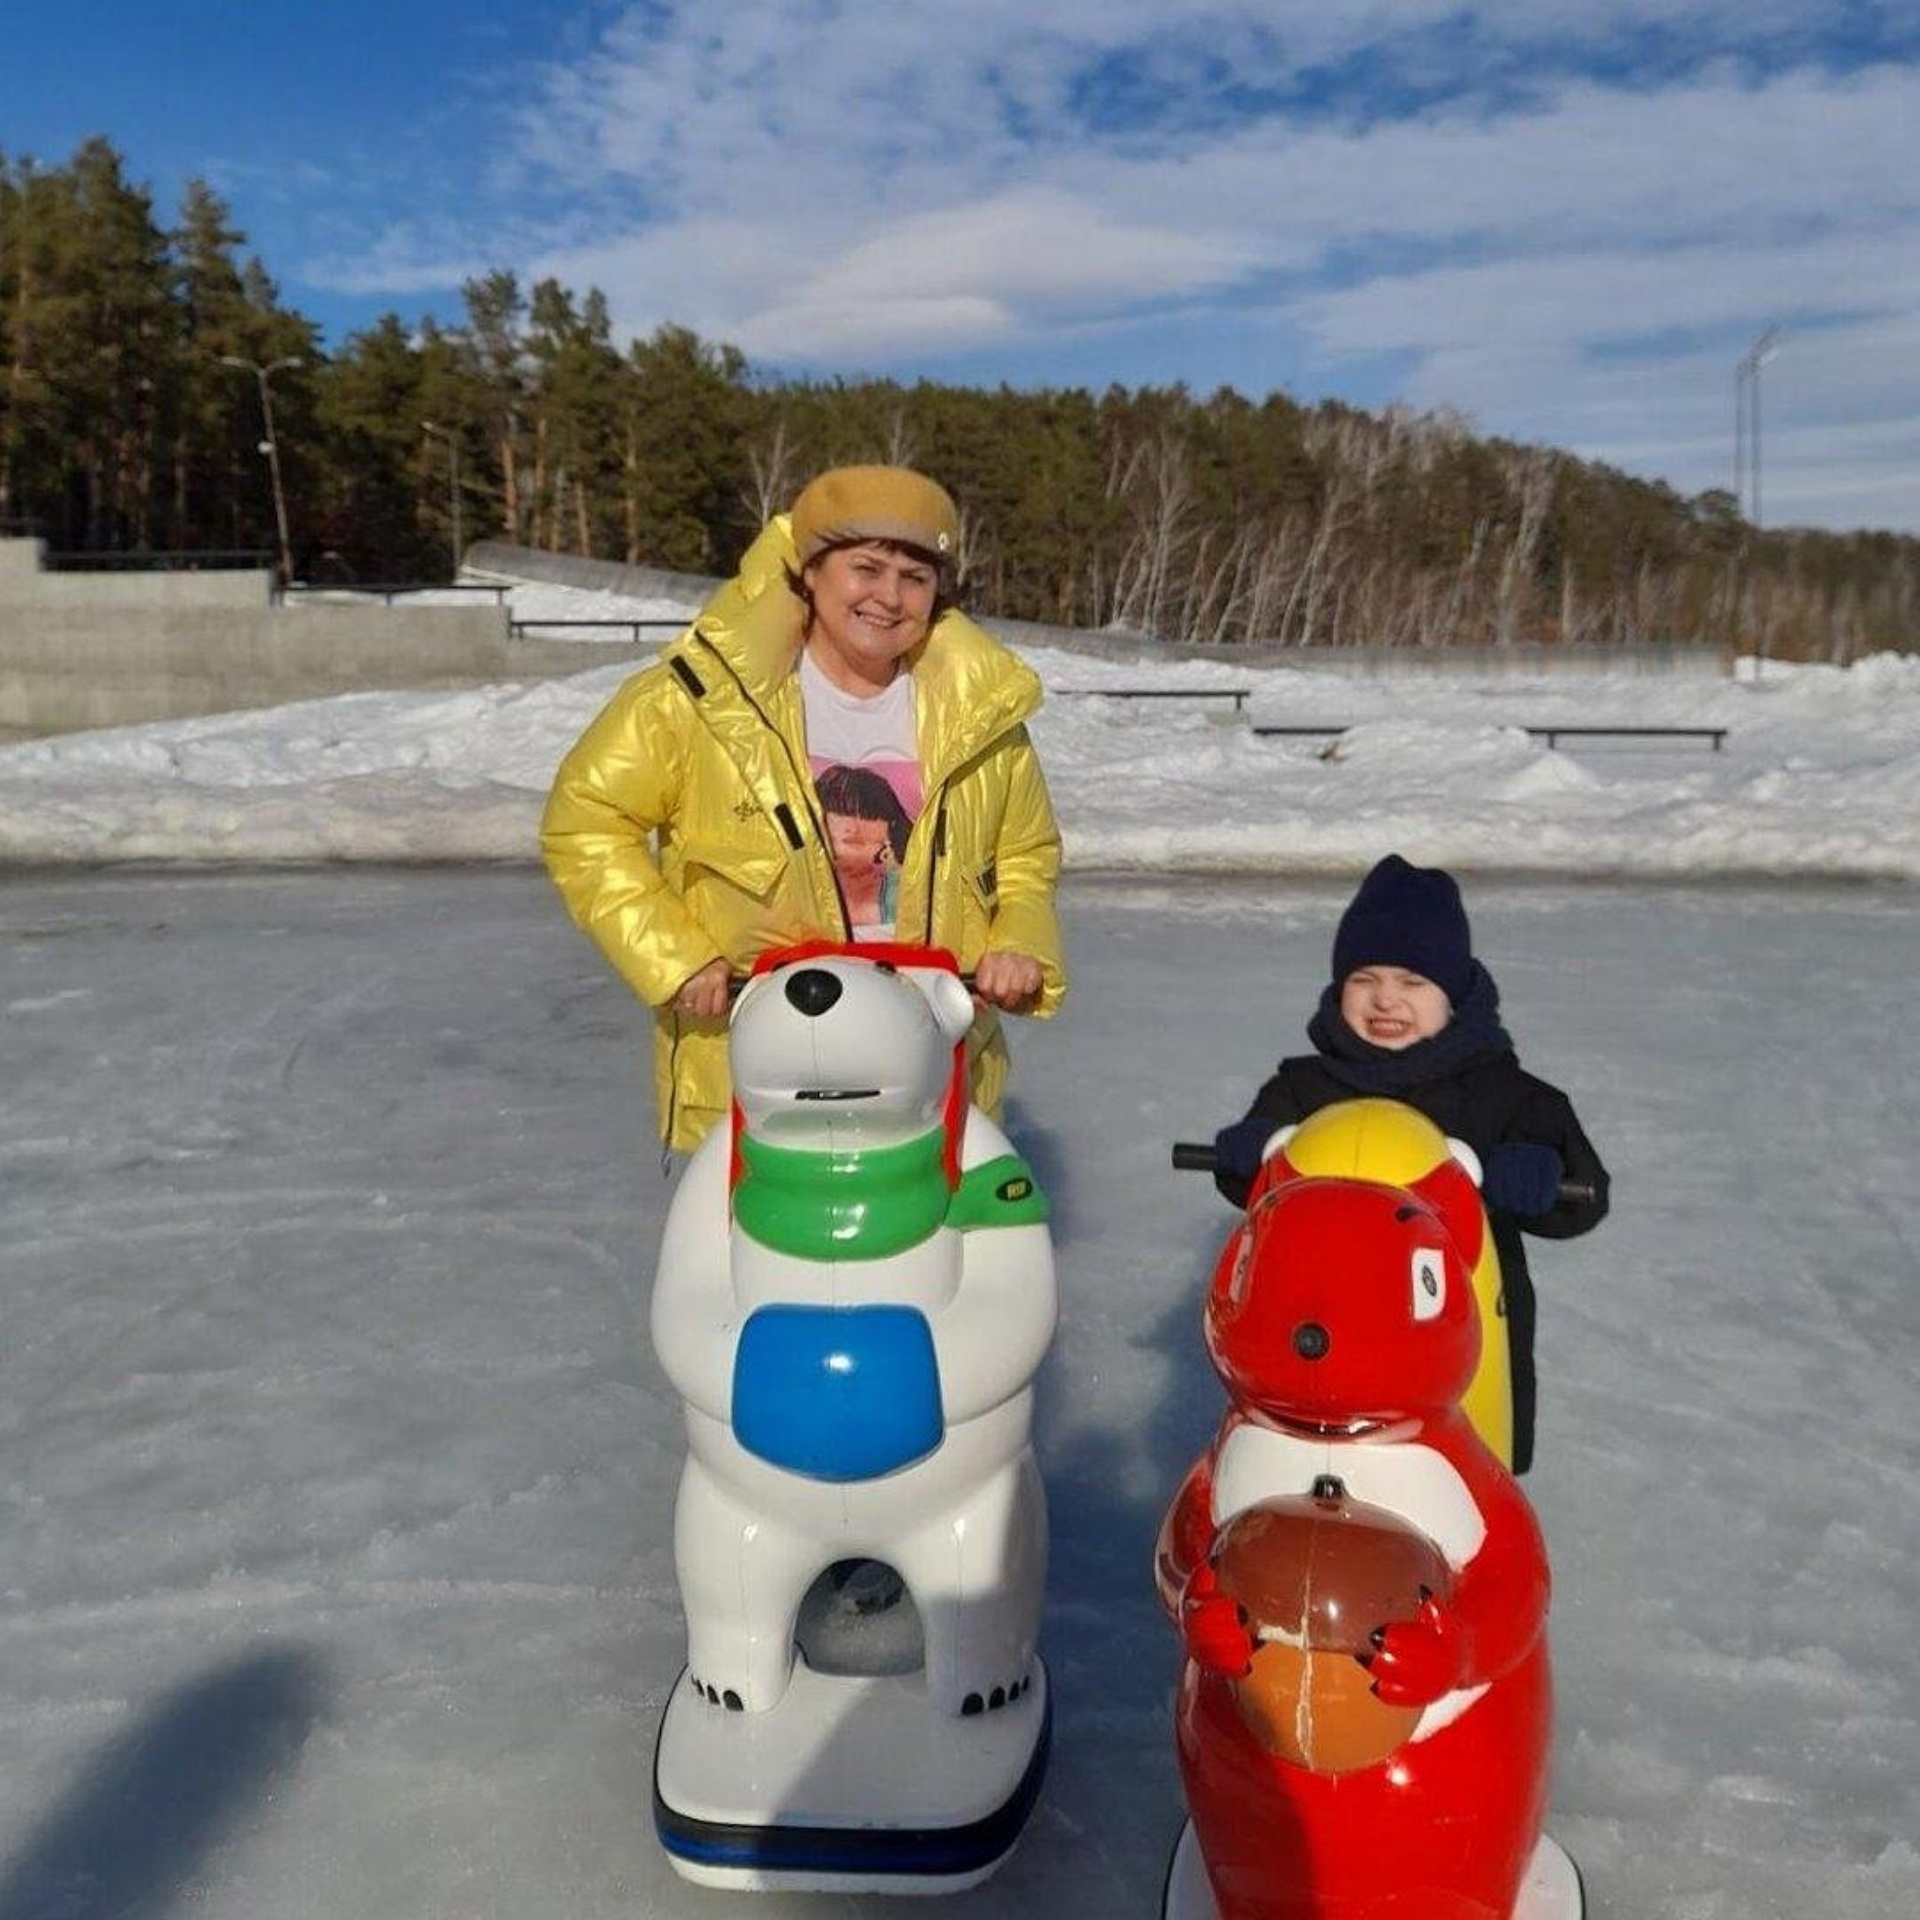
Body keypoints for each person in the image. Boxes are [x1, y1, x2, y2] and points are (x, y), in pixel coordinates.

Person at [541, 464, 1066, 1152]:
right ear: (810, 571)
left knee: (928, 1257)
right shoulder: (706, 697)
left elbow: (1024, 855)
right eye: (866, 568)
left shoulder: (982, 713)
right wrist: (673, 958)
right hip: (759, 1071)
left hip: (929, 1068)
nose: (889, 596)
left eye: (915, 576)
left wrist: (1019, 942)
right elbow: (587, 820)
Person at [1209, 854, 1608, 1474]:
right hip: (1320, 1333)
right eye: (1364, 978)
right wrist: (1248, 1148)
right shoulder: (1306, 1087)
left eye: (1413, 982)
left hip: (1451, 1343)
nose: (1386, 999)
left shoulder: (1502, 1092)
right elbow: (1256, 1179)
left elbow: (1582, 1193)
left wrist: (1538, 1168)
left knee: (1453, 1478)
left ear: (1453, 995)